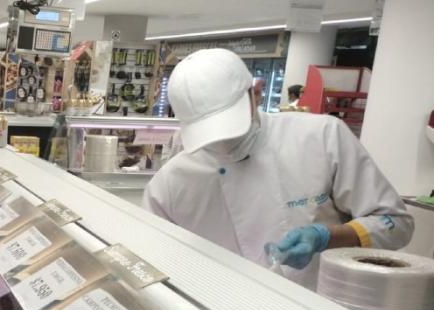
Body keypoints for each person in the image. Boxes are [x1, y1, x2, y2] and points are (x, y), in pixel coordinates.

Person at [143, 48, 413, 292]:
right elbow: (153, 267)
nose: (224, 141)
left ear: (256, 92)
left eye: (230, 124)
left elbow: (397, 224)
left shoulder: (321, 137)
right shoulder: (168, 185)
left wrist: (326, 236)